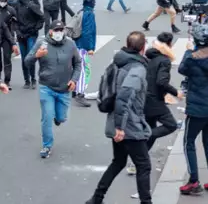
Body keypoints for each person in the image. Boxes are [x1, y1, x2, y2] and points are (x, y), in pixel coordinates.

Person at [86, 31, 152, 204]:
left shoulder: (118, 62)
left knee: (119, 161)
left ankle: (96, 198)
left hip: (117, 118)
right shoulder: (137, 69)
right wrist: (120, 127)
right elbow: (124, 96)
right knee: (144, 165)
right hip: (128, 124)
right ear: (143, 48)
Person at [178, 23, 208, 196]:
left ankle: (194, 181)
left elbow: (181, 69)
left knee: (188, 142)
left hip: (198, 108)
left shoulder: (192, 58)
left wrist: (188, 51)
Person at [126, 32, 181, 178]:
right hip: (154, 101)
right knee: (170, 125)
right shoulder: (164, 60)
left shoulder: (148, 57)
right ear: (169, 45)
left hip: (143, 98)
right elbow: (161, 82)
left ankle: (135, 161)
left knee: (152, 130)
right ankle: (139, 145)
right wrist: (176, 92)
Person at [24, 20, 81, 158]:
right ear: (50, 31)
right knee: (47, 116)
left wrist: (74, 80)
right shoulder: (42, 44)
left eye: (61, 30)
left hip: (64, 88)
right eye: (56, 30)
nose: (59, 33)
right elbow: (27, 61)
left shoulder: (70, 44)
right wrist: (36, 56)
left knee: (61, 117)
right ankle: (47, 146)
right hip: (46, 87)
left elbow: (78, 63)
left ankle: (59, 118)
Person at [14, 0, 43, 89]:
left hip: (31, 35)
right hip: (21, 36)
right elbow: (14, 21)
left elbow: (41, 18)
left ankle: (33, 79)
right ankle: (26, 80)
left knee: (30, 58)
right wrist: (17, 31)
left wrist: (35, 29)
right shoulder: (16, 6)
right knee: (23, 59)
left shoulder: (32, 6)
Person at [73, 0, 97, 108]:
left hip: (76, 44)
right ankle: (80, 93)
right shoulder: (89, 14)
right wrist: (90, 48)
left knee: (77, 67)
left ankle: (75, 89)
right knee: (84, 70)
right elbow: (88, 32)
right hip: (82, 45)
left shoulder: (80, 11)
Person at [0, 0, 18, 89]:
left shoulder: (11, 10)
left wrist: (14, 32)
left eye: (4, 0)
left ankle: (7, 80)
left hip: (8, 36)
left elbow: (16, 22)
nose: (2, 2)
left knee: (7, 58)